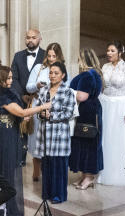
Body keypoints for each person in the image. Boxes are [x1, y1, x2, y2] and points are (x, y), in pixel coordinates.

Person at [0, 66, 51, 216]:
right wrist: (43, 107)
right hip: (3, 137)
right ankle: (3, 206)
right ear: (0, 79)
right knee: (5, 166)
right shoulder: (1, 96)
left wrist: (21, 117)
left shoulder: (3, 93)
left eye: (11, 77)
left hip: (5, 133)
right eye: (8, 78)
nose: (11, 80)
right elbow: (20, 112)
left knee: (6, 165)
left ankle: (4, 203)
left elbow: (13, 114)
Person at [99, 41, 125, 185]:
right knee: (106, 137)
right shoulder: (104, 67)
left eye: (112, 51)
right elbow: (101, 87)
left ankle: (122, 172)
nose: (109, 53)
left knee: (120, 138)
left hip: (121, 106)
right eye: (108, 50)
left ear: (119, 52)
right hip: (106, 104)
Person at [34, 62, 76, 204]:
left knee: (58, 166)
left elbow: (68, 113)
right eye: (51, 72)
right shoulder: (43, 90)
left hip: (59, 136)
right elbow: (38, 109)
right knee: (46, 165)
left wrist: (51, 116)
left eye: (56, 73)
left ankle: (59, 195)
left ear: (63, 75)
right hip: (45, 134)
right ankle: (47, 192)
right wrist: (41, 114)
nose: (52, 75)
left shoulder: (68, 92)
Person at [25, 42, 68, 183]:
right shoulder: (39, 68)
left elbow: (68, 88)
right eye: (49, 55)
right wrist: (37, 85)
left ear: (59, 56)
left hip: (54, 107)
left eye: (54, 56)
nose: (51, 59)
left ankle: (49, 170)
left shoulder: (63, 70)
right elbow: (28, 87)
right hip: (38, 105)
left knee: (50, 140)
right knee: (37, 138)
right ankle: (36, 171)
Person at [68, 48, 104, 190]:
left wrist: (68, 91)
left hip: (88, 114)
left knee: (88, 143)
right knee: (84, 142)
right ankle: (84, 175)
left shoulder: (87, 76)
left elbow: (82, 96)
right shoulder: (95, 74)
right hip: (90, 112)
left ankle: (89, 177)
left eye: (79, 59)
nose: (78, 61)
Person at [10, 28, 44, 99]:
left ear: (40, 39)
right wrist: (22, 96)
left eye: (33, 38)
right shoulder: (17, 56)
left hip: (40, 99)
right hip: (21, 100)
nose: (30, 40)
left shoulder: (46, 55)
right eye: (28, 38)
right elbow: (14, 78)